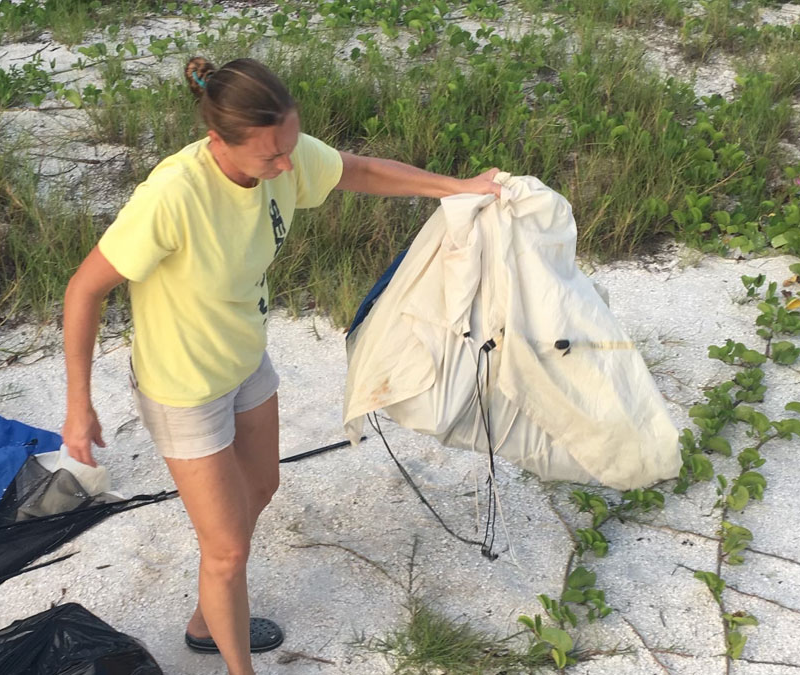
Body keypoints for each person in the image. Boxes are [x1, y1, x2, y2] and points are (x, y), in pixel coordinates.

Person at [61, 56, 501, 675]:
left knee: (261, 488)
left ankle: (204, 620)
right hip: (182, 387)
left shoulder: (283, 154)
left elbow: (362, 170)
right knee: (227, 549)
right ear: (219, 143)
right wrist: (79, 404)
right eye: (271, 157)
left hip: (244, 359)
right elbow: (84, 290)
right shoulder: (172, 196)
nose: (288, 166)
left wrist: (457, 187)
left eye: (291, 148)